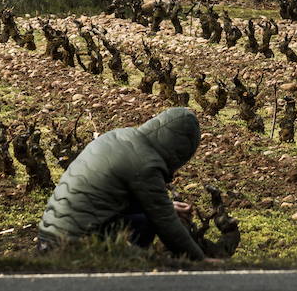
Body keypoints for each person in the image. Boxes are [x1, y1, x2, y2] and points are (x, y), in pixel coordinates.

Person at [38, 107, 211, 260]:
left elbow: (115, 199)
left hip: (49, 235)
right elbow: (164, 220)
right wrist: (199, 260)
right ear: (177, 151)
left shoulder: (119, 137)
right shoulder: (145, 163)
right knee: (148, 223)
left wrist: (168, 206)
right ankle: (123, 263)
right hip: (74, 241)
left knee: (147, 217)